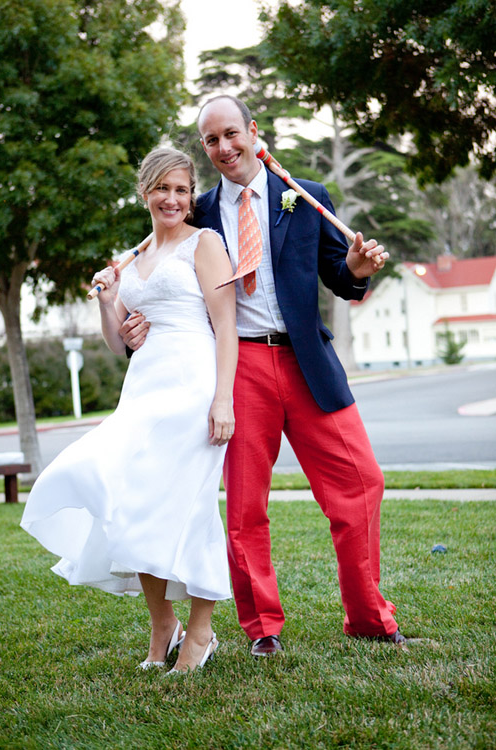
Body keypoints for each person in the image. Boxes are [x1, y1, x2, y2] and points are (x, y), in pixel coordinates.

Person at [120, 96, 406, 657]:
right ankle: (262, 629)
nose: (223, 148)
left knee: (361, 484)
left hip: (308, 362)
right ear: (203, 148)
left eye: (231, 134)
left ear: (253, 132)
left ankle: (369, 617)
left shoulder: (305, 197)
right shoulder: (197, 211)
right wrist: (135, 325)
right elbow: (167, 279)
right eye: (211, 140)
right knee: (245, 505)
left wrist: (355, 269)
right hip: (238, 366)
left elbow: (338, 276)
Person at [21, 147, 238, 673]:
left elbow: (225, 324)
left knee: (190, 504)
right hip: (144, 389)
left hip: (192, 385)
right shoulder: (132, 258)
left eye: (183, 190)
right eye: (163, 188)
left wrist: (223, 398)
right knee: (126, 495)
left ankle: (202, 633)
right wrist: (107, 300)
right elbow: (120, 345)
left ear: (192, 197)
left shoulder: (205, 244)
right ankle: (163, 623)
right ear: (145, 192)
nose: (173, 199)